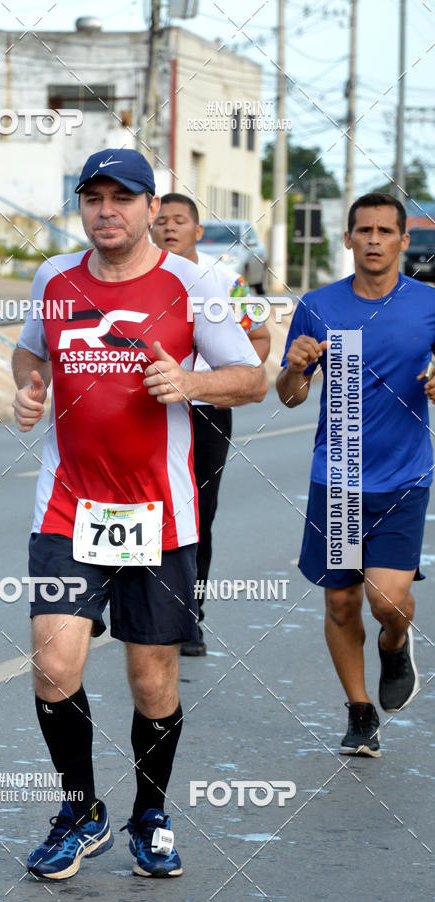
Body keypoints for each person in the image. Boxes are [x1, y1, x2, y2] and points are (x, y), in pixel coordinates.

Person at [12, 148, 267, 880]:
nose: (106, 211)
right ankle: (79, 811)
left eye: (122, 197)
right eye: (93, 198)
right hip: (69, 505)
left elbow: (252, 378)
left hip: (159, 514)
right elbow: (30, 356)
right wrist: (29, 389)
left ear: (151, 208)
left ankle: (150, 814)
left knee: (152, 681)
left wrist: (189, 381)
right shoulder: (54, 278)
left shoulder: (195, 282)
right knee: (53, 664)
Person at [276, 192, 435, 758]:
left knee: (386, 600)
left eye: (384, 231)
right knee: (342, 603)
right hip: (338, 478)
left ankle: (395, 642)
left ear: (403, 241)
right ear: (347, 239)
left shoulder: (428, 303)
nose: (373, 240)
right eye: (363, 230)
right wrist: (296, 369)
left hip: (404, 476)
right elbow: (290, 397)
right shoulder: (318, 306)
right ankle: (359, 711)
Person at [151, 193, 271, 655]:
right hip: (152, 411)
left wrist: (222, 379)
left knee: (198, 514)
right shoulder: (140, 278)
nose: (169, 228)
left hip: (207, 413)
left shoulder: (225, 282)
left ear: (198, 231)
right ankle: (136, 606)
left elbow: (260, 336)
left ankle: (190, 614)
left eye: (179, 220)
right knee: (143, 510)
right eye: (162, 221)